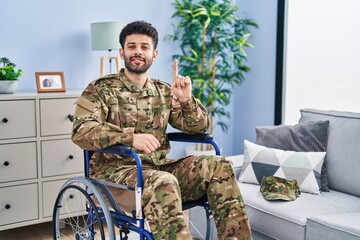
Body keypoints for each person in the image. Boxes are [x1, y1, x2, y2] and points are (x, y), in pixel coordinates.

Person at [72, 20, 252, 240]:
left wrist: (186, 101)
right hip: (116, 174)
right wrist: (129, 138)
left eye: (144, 47)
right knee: (163, 181)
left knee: (219, 165)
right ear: (122, 52)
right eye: (132, 46)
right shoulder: (100, 89)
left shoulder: (163, 91)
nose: (138, 52)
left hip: (159, 167)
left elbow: (199, 128)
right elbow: (81, 130)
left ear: (154, 54)